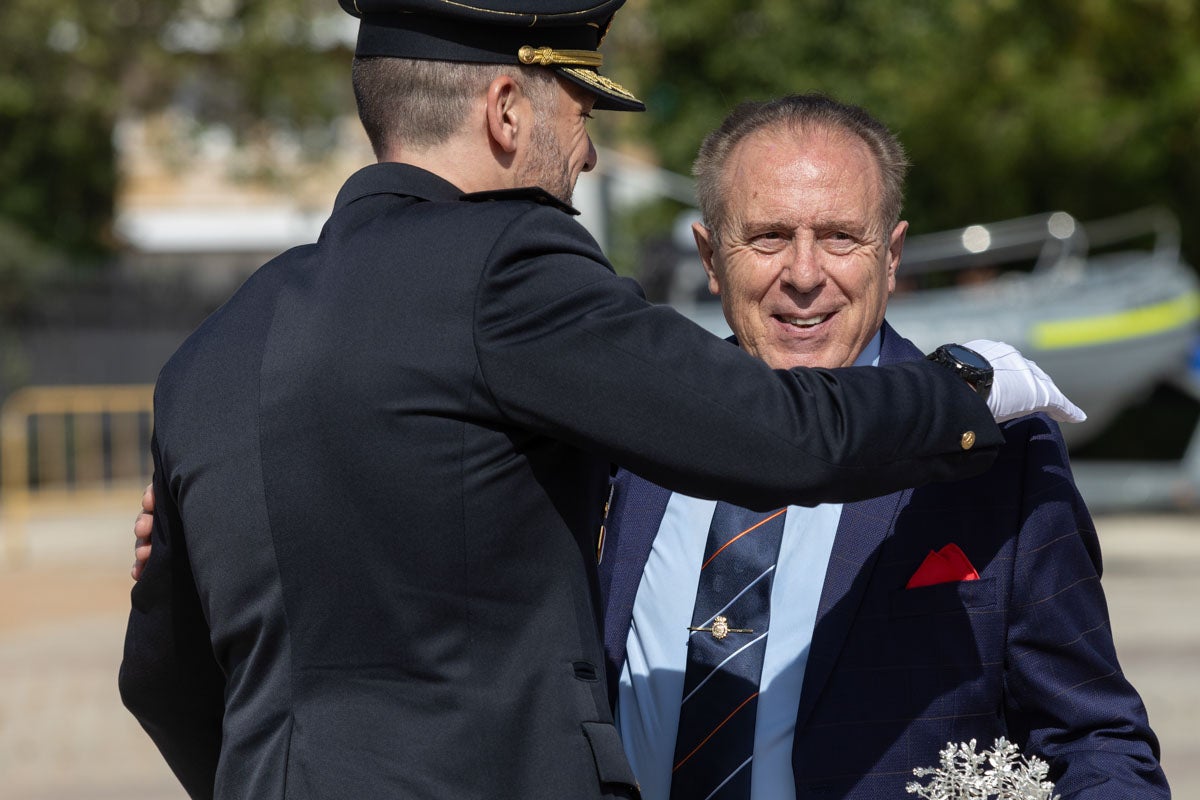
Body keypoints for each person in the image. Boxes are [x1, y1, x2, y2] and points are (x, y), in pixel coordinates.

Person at [118, 2, 1084, 798]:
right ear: (506, 109)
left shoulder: (213, 350)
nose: (585, 157)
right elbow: (781, 435)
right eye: (577, 111)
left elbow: (159, 676)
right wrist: (969, 390)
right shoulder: (510, 265)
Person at [598, 93, 1169, 800]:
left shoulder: (1000, 453)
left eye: (841, 237)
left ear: (891, 257)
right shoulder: (629, 429)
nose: (805, 276)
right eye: (770, 237)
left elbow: (1094, 739)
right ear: (712, 258)